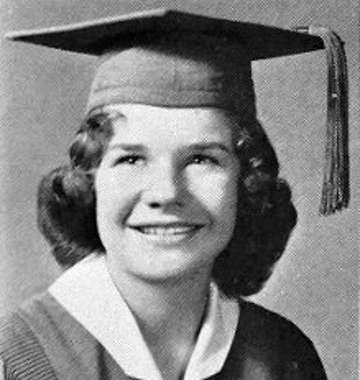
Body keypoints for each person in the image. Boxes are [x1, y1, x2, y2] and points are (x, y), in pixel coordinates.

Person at [0, 5, 349, 379]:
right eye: (132, 159)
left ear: (246, 184)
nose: (166, 193)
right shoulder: (16, 357)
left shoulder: (283, 357)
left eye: (202, 159)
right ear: (90, 182)